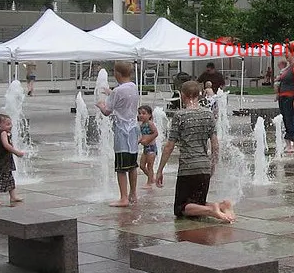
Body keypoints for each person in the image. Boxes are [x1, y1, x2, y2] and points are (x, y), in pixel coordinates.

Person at [155, 80, 234, 223]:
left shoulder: (180, 116)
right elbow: (215, 145)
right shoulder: (208, 115)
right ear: (199, 95)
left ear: (182, 95)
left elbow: (169, 146)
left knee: (180, 208)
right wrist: (213, 164)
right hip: (204, 166)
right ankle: (223, 205)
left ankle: (212, 210)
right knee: (197, 204)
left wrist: (160, 170)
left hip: (188, 168)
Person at [96, 61, 140, 207]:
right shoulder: (133, 87)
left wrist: (101, 105)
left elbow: (107, 111)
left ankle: (123, 198)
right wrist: (110, 93)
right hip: (133, 129)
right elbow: (122, 98)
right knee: (133, 165)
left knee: (121, 167)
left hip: (122, 131)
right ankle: (133, 193)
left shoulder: (117, 91)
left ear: (117, 73)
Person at [0, 113, 26, 205]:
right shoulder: (3, 133)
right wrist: (16, 152)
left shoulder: (5, 133)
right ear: (0, 127)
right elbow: (6, 145)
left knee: (10, 178)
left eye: (11, 123)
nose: (11, 126)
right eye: (8, 124)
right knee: (4, 178)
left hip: (7, 160)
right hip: (3, 161)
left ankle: (13, 196)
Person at [277, 45, 294, 153]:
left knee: (290, 120)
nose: (284, 54)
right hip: (283, 96)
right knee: (285, 120)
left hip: (290, 97)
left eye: (286, 52)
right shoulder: (289, 66)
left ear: (292, 52)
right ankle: (288, 144)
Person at [137, 105, 159, 189]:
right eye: (139, 113)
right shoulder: (142, 125)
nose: (141, 115)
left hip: (151, 148)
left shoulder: (150, 123)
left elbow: (156, 133)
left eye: (144, 113)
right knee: (142, 166)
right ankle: (151, 178)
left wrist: (147, 140)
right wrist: (140, 141)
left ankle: (149, 183)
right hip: (145, 149)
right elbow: (143, 136)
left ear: (149, 115)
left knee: (150, 166)